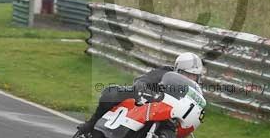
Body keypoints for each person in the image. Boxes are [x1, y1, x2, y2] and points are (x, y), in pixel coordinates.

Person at [77, 52, 205, 133]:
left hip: (168, 113)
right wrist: (143, 87)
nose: (190, 78)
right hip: (146, 100)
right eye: (187, 74)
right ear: (177, 69)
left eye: (194, 76)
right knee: (112, 92)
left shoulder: (195, 91)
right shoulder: (165, 72)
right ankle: (91, 124)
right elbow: (144, 79)